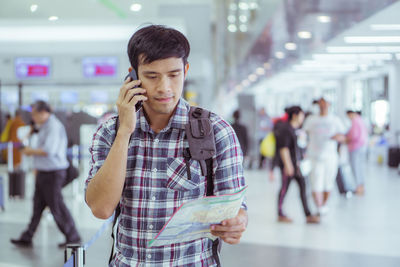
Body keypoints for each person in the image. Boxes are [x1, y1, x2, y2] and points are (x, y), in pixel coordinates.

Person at [85, 25, 247, 266]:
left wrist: (237, 223)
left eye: (174, 74)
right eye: (152, 76)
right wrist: (125, 132)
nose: (164, 87)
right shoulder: (110, 131)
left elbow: (234, 208)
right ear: (133, 76)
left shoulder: (217, 131)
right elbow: (101, 208)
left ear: (186, 70)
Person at [10, 100, 81, 247]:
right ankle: (27, 236)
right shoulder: (42, 126)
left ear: (43, 112)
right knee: (37, 206)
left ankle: (73, 236)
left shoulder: (53, 127)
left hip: (53, 174)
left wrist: (29, 151)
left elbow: (49, 150)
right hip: (43, 172)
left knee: (56, 206)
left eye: (34, 114)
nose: (33, 117)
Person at [274, 106, 320, 224]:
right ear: (295, 115)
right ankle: (280, 213)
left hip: (300, 166)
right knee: (284, 189)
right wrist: (288, 165)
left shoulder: (299, 129)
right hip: (289, 165)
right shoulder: (286, 129)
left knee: (304, 189)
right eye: (301, 115)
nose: (303, 117)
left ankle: (308, 214)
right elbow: (283, 148)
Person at [303, 97, 346, 215]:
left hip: (330, 157)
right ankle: (319, 207)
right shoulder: (311, 120)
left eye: (325, 104)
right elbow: (303, 135)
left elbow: (343, 137)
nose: (323, 106)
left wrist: (338, 138)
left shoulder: (335, 120)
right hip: (314, 156)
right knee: (316, 183)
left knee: (328, 183)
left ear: (329, 104)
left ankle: (324, 204)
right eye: (320, 104)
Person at [346, 110, 368, 195]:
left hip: (356, 147)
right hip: (361, 146)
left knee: (356, 167)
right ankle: (361, 186)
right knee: (359, 167)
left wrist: (346, 139)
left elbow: (354, 135)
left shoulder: (355, 121)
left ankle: (359, 187)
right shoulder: (360, 120)